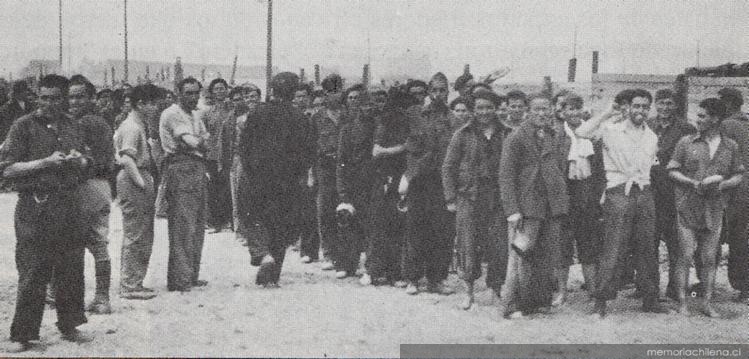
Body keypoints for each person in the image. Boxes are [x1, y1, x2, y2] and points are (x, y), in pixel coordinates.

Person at [1, 75, 93, 352]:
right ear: (36, 97)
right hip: (35, 205)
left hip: (68, 203)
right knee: (33, 269)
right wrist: (45, 163)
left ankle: (69, 324)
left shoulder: (72, 124)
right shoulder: (23, 126)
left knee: (71, 267)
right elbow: (7, 169)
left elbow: (89, 162)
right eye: (43, 97)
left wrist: (81, 160)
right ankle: (23, 334)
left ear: (64, 98)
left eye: (54, 98)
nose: (48, 103)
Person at [576, 89, 669, 318]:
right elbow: (582, 131)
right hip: (618, 192)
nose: (640, 111)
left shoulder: (651, 136)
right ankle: (601, 302)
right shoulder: (610, 130)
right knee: (614, 247)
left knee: (647, 247)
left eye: (645, 107)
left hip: (644, 193)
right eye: (636, 106)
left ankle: (650, 299)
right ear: (627, 107)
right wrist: (608, 112)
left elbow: (649, 167)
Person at [668, 98, 744, 317]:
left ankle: (706, 304)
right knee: (685, 255)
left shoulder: (730, 146)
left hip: (714, 209)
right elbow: (672, 170)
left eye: (702, 116)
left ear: (715, 119)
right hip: (688, 207)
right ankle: (683, 303)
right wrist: (690, 182)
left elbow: (738, 173)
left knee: (710, 259)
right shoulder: (686, 142)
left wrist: (724, 184)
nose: (697, 120)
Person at [238, 72, 313, 286]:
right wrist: (298, 175)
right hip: (287, 180)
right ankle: (272, 276)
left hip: (258, 177)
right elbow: (307, 151)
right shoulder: (300, 117)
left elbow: (245, 145)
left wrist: (249, 169)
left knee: (253, 218)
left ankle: (262, 254)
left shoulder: (258, 113)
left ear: (272, 90)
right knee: (280, 224)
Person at [499, 93, 569, 318]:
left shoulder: (554, 135)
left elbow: (557, 169)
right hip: (526, 206)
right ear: (528, 111)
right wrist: (512, 210)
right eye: (537, 109)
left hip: (550, 206)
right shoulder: (516, 138)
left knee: (545, 255)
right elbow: (506, 176)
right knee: (520, 255)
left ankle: (538, 302)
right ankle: (512, 306)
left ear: (551, 111)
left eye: (545, 109)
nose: (541, 114)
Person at [442, 91, 508, 310]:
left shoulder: (506, 133)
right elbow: (448, 167)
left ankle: (496, 290)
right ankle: (468, 291)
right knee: (467, 245)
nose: (484, 112)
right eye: (479, 108)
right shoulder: (463, 134)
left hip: (498, 198)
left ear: (496, 108)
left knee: (499, 246)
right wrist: (451, 198)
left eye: (489, 107)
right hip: (469, 197)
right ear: (473, 110)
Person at [398, 72, 456, 296]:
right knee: (415, 230)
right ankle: (412, 278)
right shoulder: (415, 114)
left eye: (443, 90)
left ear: (448, 92)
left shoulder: (453, 119)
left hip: (442, 183)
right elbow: (408, 148)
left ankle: (436, 279)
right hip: (419, 180)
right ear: (429, 92)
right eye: (435, 90)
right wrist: (408, 176)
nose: (438, 94)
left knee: (441, 232)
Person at [68, 76, 117, 313]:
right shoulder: (102, 122)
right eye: (71, 96)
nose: (74, 101)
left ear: (91, 98)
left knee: (72, 240)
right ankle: (102, 297)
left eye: (80, 96)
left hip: (87, 184)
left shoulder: (84, 123)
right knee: (99, 242)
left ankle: (88, 297)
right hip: (102, 186)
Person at [159, 77, 209, 292]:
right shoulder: (172, 114)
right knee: (183, 224)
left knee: (197, 223)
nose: (193, 97)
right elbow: (195, 142)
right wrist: (199, 142)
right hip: (180, 167)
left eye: (196, 92)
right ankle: (180, 278)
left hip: (196, 166)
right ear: (178, 93)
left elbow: (206, 140)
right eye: (188, 93)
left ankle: (190, 274)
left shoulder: (195, 114)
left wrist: (200, 143)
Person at [555, 93, 605, 300]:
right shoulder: (558, 136)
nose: (574, 113)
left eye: (577, 108)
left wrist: (600, 194)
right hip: (565, 197)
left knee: (589, 245)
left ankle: (593, 290)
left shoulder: (593, 135)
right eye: (569, 109)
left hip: (588, 196)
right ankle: (561, 292)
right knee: (562, 246)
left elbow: (602, 168)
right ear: (562, 112)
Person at [647, 88, 696, 301]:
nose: (665, 108)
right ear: (655, 105)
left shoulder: (686, 128)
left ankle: (676, 288)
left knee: (676, 243)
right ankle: (648, 288)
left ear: (676, 105)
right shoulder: (647, 125)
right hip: (650, 192)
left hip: (675, 193)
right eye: (661, 103)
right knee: (649, 242)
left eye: (669, 103)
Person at [361, 88, 410, 286]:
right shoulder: (384, 123)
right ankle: (373, 270)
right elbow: (376, 151)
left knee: (395, 226)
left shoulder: (399, 122)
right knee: (380, 225)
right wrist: (401, 148)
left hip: (397, 177)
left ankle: (392, 272)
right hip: (383, 178)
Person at [115, 85, 158, 300]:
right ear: (141, 104)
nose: (155, 107)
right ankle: (130, 284)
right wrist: (141, 183)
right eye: (152, 103)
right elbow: (126, 158)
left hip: (138, 177)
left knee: (142, 231)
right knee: (136, 232)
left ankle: (134, 281)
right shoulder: (132, 126)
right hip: (134, 177)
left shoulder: (138, 124)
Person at [335, 84, 375, 279]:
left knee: (371, 226)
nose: (367, 109)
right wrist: (343, 191)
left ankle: (370, 267)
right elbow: (341, 162)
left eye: (370, 105)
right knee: (349, 224)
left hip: (374, 182)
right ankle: (346, 264)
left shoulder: (378, 127)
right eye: (363, 105)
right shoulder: (347, 130)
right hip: (353, 182)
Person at [311, 75, 349, 270]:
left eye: (338, 91)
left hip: (346, 167)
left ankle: (345, 254)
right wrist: (311, 173)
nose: (334, 95)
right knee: (325, 210)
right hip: (324, 168)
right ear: (324, 94)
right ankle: (328, 253)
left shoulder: (349, 114)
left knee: (345, 210)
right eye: (330, 92)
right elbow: (310, 146)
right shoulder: (317, 117)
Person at [717, 87, 749, 305]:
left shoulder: (727, 125)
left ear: (727, 104)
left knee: (725, 237)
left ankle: (741, 284)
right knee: (742, 238)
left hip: (734, 190)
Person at [202, 78, 233, 233]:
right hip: (212, 154)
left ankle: (229, 220)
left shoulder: (232, 109)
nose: (220, 91)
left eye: (222, 88)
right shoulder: (208, 113)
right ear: (212, 92)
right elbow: (204, 133)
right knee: (213, 188)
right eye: (217, 89)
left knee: (227, 188)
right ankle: (215, 222)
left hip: (228, 154)